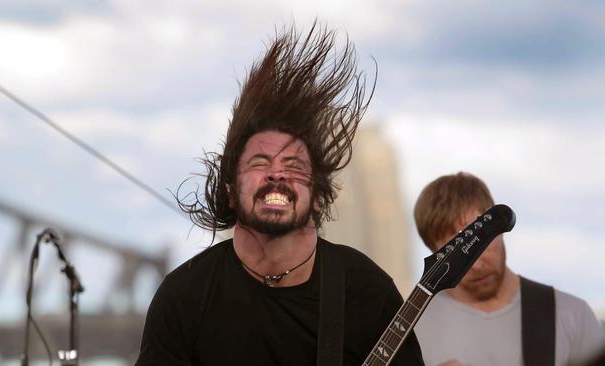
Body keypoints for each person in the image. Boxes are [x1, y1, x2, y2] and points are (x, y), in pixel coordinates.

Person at [135, 23, 424, 366]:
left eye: (294, 165)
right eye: (260, 162)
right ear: (231, 191)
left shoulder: (365, 290)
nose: (277, 173)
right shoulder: (184, 296)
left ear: (317, 196)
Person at [413, 171, 604, 366]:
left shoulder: (573, 315)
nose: (477, 265)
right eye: (457, 256)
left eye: (481, 243)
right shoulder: (412, 331)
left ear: (500, 229)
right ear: (433, 252)